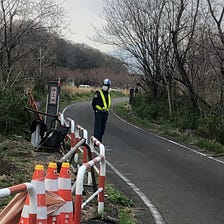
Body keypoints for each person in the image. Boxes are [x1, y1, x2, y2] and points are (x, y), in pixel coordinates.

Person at [92, 78, 111, 143]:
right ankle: (95, 141)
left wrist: (106, 110)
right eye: (104, 85)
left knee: (102, 128)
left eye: (107, 85)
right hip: (98, 112)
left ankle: (99, 141)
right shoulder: (98, 93)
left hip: (105, 113)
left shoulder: (108, 94)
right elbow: (94, 104)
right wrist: (98, 109)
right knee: (98, 127)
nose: (105, 86)